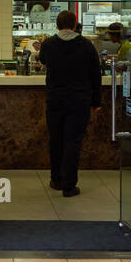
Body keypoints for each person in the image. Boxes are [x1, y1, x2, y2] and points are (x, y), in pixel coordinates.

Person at [38, 10, 103, 197]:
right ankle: (69, 185)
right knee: (72, 141)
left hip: (55, 99)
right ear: (75, 25)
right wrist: (96, 101)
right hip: (79, 100)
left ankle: (56, 179)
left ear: (57, 26)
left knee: (56, 139)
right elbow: (95, 75)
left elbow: (43, 60)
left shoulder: (49, 44)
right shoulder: (86, 45)